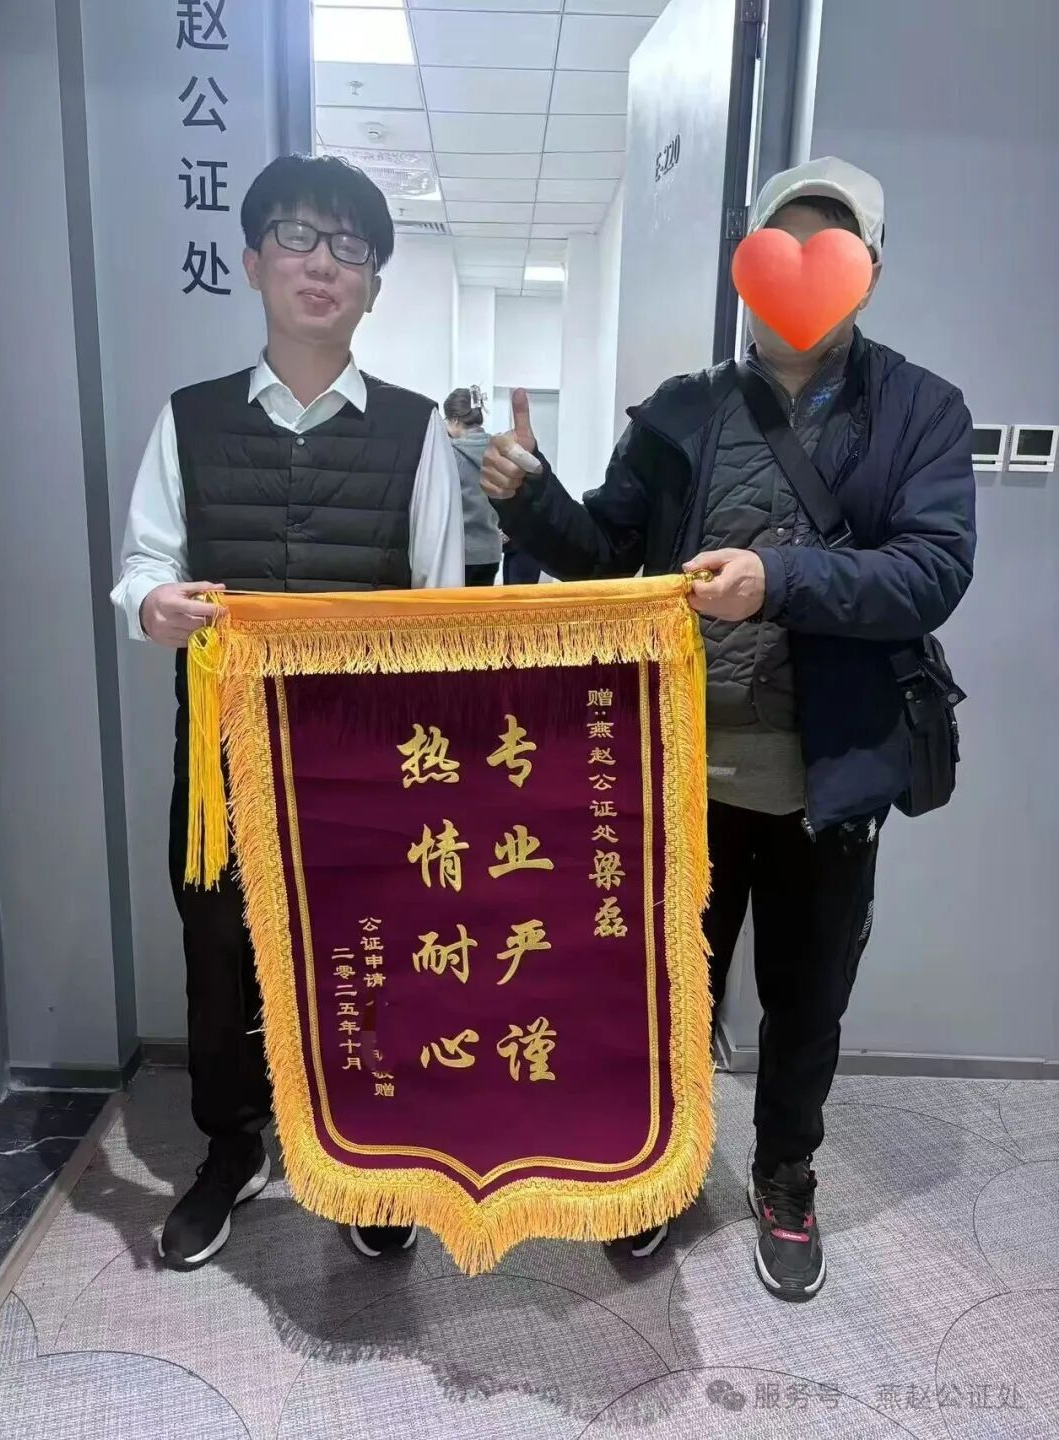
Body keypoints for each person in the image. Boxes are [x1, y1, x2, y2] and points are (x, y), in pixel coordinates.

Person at [481, 157, 975, 1299]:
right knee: (668, 992)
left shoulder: (921, 409)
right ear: (746, 266)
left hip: (830, 776)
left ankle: (785, 1173)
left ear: (870, 270)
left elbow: (932, 571)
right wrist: (530, 497)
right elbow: (606, 555)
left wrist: (778, 580)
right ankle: (660, 1170)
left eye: (833, 246)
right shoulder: (680, 410)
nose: (802, 269)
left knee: (808, 998)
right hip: (678, 772)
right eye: (779, 244)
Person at [112, 154, 463, 1271]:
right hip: (225, 762)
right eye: (299, 239)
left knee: (369, 956)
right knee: (219, 956)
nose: (323, 265)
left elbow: (444, 613)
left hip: (368, 770)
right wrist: (153, 606)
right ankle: (234, 1147)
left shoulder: (416, 432)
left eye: (350, 247)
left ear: (374, 285)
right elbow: (144, 566)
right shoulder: (189, 421)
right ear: (253, 262)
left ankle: (369, 1159)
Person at [442, 386, 503, 585]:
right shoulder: (499, 449)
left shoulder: (451, 454)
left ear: (455, 420)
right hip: (491, 550)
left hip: (461, 552)